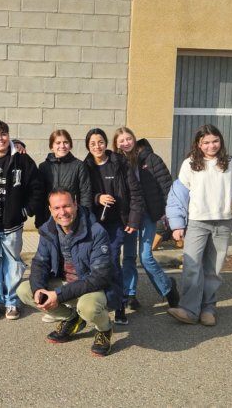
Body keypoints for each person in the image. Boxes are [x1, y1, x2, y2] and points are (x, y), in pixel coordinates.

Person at [165, 124, 232, 326]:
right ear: (198, 144)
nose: (211, 146)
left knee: (213, 270)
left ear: (220, 141)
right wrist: (177, 225)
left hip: (222, 224)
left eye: (215, 141)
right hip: (197, 223)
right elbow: (177, 197)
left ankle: (208, 309)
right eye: (205, 142)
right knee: (191, 267)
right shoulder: (189, 164)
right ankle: (189, 310)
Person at [16, 188, 117, 357]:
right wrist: (39, 289)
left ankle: (104, 329)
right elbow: (40, 263)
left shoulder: (96, 231)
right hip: (63, 284)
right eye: (56, 208)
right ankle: (72, 318)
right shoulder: (47, 230)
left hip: (91, 287)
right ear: (50, 209)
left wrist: (58, 295)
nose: (62, 212)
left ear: (75, 205)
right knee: (25, 290)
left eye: (67, 206)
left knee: (88, 308)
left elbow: (100, 276)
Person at [0, 120, 43, 321]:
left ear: (9, 135)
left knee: (13, 264)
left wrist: (25, 211)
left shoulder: (22, 160)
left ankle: (12, 301)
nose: (0, 139)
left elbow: (37, 189)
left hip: (12, 225)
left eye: (3, 134)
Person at [112, 127, 180, 310]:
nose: (126, 142)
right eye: (121, 140)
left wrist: (171, 215)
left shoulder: (151, 159)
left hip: (149, 214)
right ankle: (130, 294)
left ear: (134, 139)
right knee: (128, 256)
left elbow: (167, 186)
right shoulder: (116, 162)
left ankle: (168, 288)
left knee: (145, 256)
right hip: (129, 216)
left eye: (128, 138)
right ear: (116, 144)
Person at [83, 128, 144, 325]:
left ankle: (119, 306)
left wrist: (133, 220)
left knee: (112, 261)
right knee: (95, 265)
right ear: (88, 147)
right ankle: (97, 302)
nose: (97, 146)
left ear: (106, 143)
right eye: (93, 144)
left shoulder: (119, 163)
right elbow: (82, 194)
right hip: (94, 224)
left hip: (117, 222)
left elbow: (135, 193)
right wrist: (98, 197)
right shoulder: (85, 166)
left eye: (100, 142)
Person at [36, 129, 93, 322]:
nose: (62, 146)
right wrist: (40, 220)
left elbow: (85, 193)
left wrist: (83, 219)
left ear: (70, 144)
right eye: (58, 143)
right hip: (51, 222)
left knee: (72, 260)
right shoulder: (44, 167)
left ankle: (73, 300)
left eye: (65, 142)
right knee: (54, 262)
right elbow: (39, 194)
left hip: (73, 221)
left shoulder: (79, 166)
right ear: (51, 146)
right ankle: (55, 305)